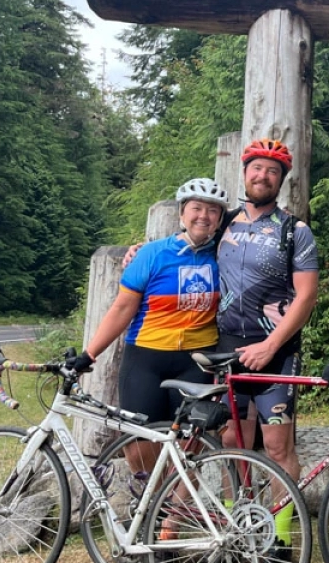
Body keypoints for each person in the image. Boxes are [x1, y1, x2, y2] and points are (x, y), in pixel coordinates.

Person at [75, 178, 230, 469]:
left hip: (196, 362)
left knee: (186, 451)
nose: (203, 216)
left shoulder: (225, 255)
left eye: (212, 211)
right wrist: (89, 354)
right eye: (196, 208)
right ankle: (151, 509)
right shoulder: (151, 253)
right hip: (146, 359)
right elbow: (122, 308)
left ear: (220, 219)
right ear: (182, 214)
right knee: (137, 447)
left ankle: (176, 514)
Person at [215, 138, 319, 483]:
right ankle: (239, 526)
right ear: (244, 173)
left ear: (281, 180)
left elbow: (306, 297)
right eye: (257, 168)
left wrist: (270, 346)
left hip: (277, 351)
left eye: (272, 171)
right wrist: (138, 251)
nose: (263, 176)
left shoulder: (295, 231)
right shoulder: (222, 223)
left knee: (277, 446)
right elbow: (183, 243)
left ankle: (281, 534)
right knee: (232, 439)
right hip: (228, 346)